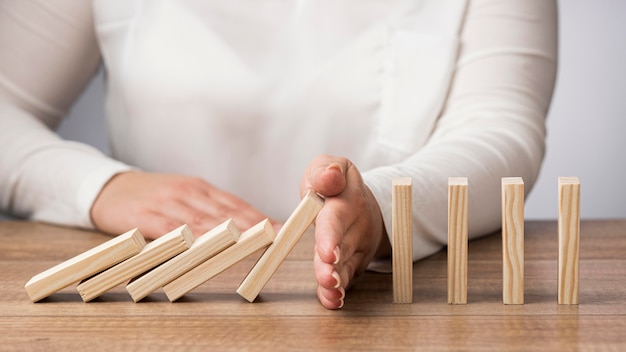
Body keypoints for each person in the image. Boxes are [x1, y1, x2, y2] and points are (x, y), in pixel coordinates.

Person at [0, 0, 557, 309]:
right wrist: (98, 186)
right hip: (162, 295)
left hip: (382, 304)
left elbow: (499, 131)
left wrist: (379, 207)